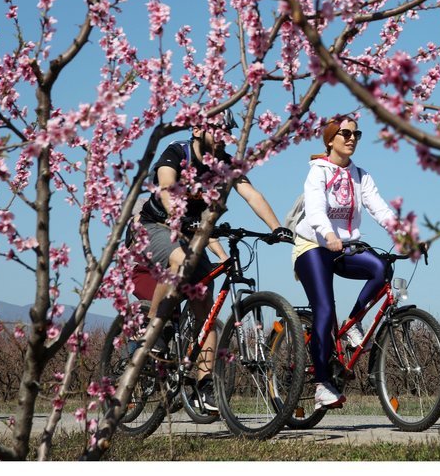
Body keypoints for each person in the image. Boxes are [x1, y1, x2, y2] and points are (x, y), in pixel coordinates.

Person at [138, 110, 292, 411]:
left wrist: (277, 228)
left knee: (205, 304)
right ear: (198, 129)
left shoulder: (224, 164)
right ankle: (153, 329)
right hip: (157, 226)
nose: (224, 135)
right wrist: (177, 215)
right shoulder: (177, 152)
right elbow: (167, 186)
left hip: (194, 233)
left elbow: (251, 194)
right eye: (218, 128)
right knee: (179, 260)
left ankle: (204, 385)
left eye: (228, 130)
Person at [292, 115, 395, 410]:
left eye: (356, 134)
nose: (352, 138)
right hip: (313, 244)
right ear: (330, 139)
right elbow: (315, 208)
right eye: (345, 133)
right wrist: (326, 233)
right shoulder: (318, 172)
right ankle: (322, 385)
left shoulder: (361, 176)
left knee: (381, 269)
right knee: (325, 308)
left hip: (343, 247)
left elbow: (380, 209)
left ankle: (354, 324)